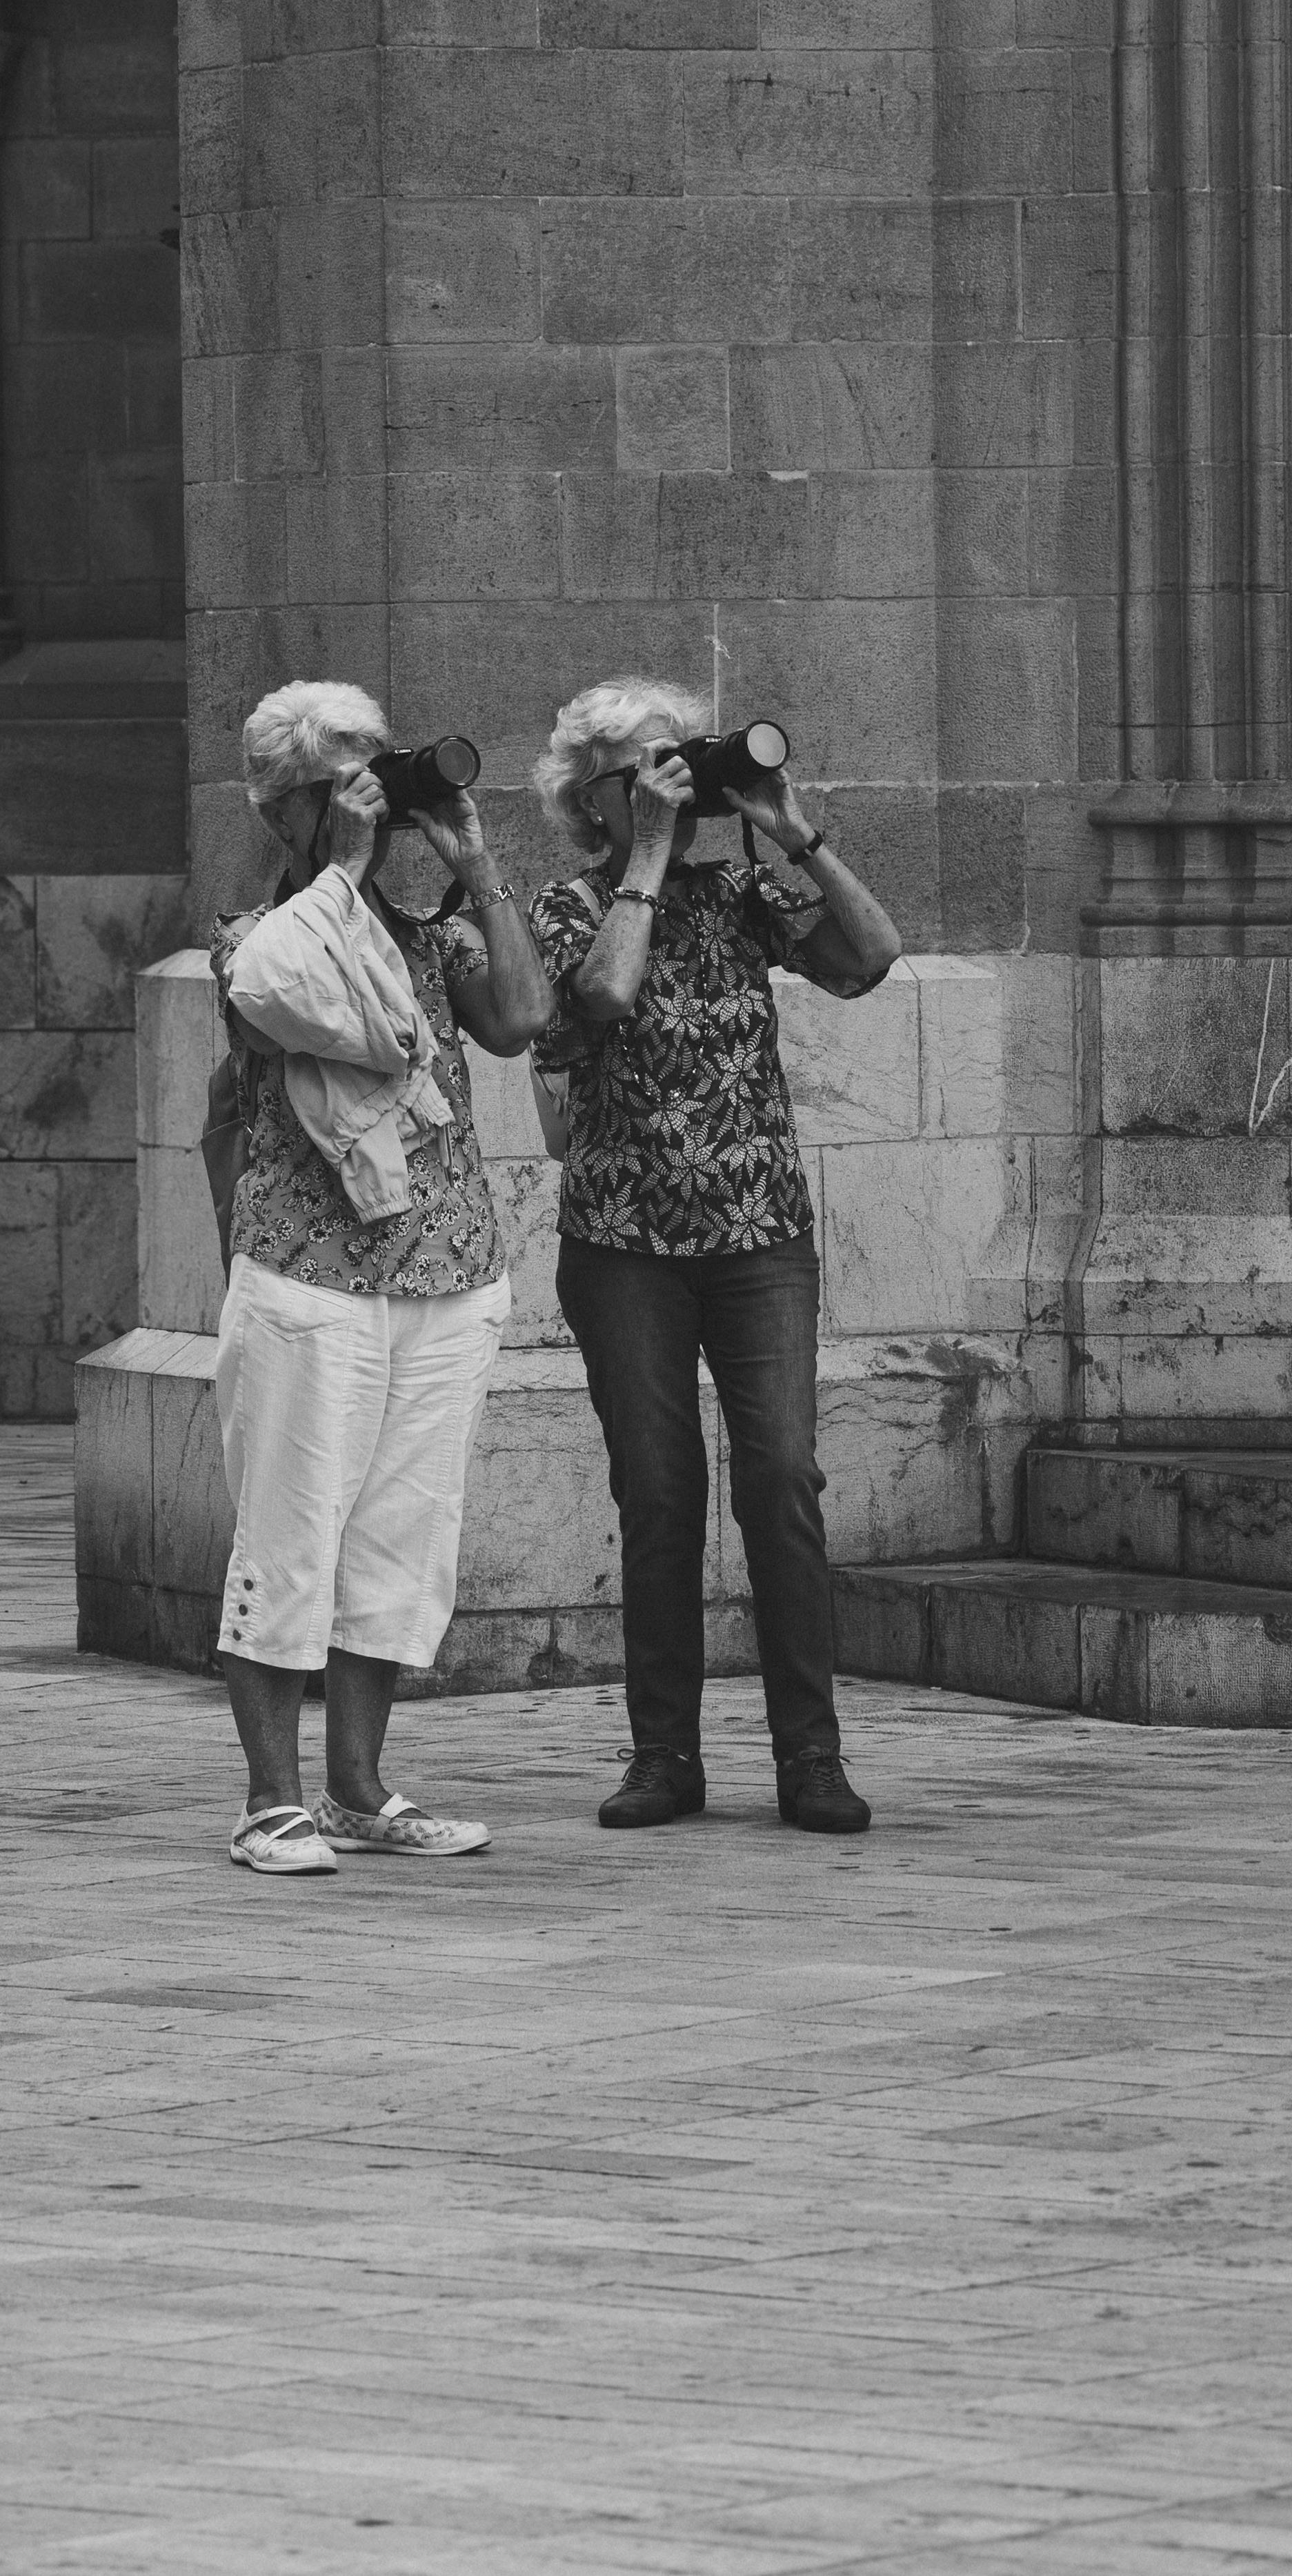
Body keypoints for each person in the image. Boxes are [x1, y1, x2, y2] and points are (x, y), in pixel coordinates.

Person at [526, 680, 902, 1836]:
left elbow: (871, 956)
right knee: (661, 1494)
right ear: (594, 793)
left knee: (784, 1481)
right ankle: (665, 1757)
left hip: (759, 1237)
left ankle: (811, 1758)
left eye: (678, 760)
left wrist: (795, 827)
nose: (674, 784)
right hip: (624, 1246)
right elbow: (603, 994)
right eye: (645, 768)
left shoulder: (742, 892)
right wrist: (642, 854)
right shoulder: (564, 907)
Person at [208, 680, 553, 1874]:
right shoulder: (263, 936)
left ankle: (357, 1787)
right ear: (288, 810)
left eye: (378, 775)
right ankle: (270, 1799)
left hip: (446, 1275)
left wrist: (474, 858)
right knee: (292, 1535)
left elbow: (522, 1015)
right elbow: (280, 998)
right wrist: (345, 866)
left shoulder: (423, 931)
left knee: (403, 1546)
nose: (374, 802)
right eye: (345, 784)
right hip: (311, 1283)